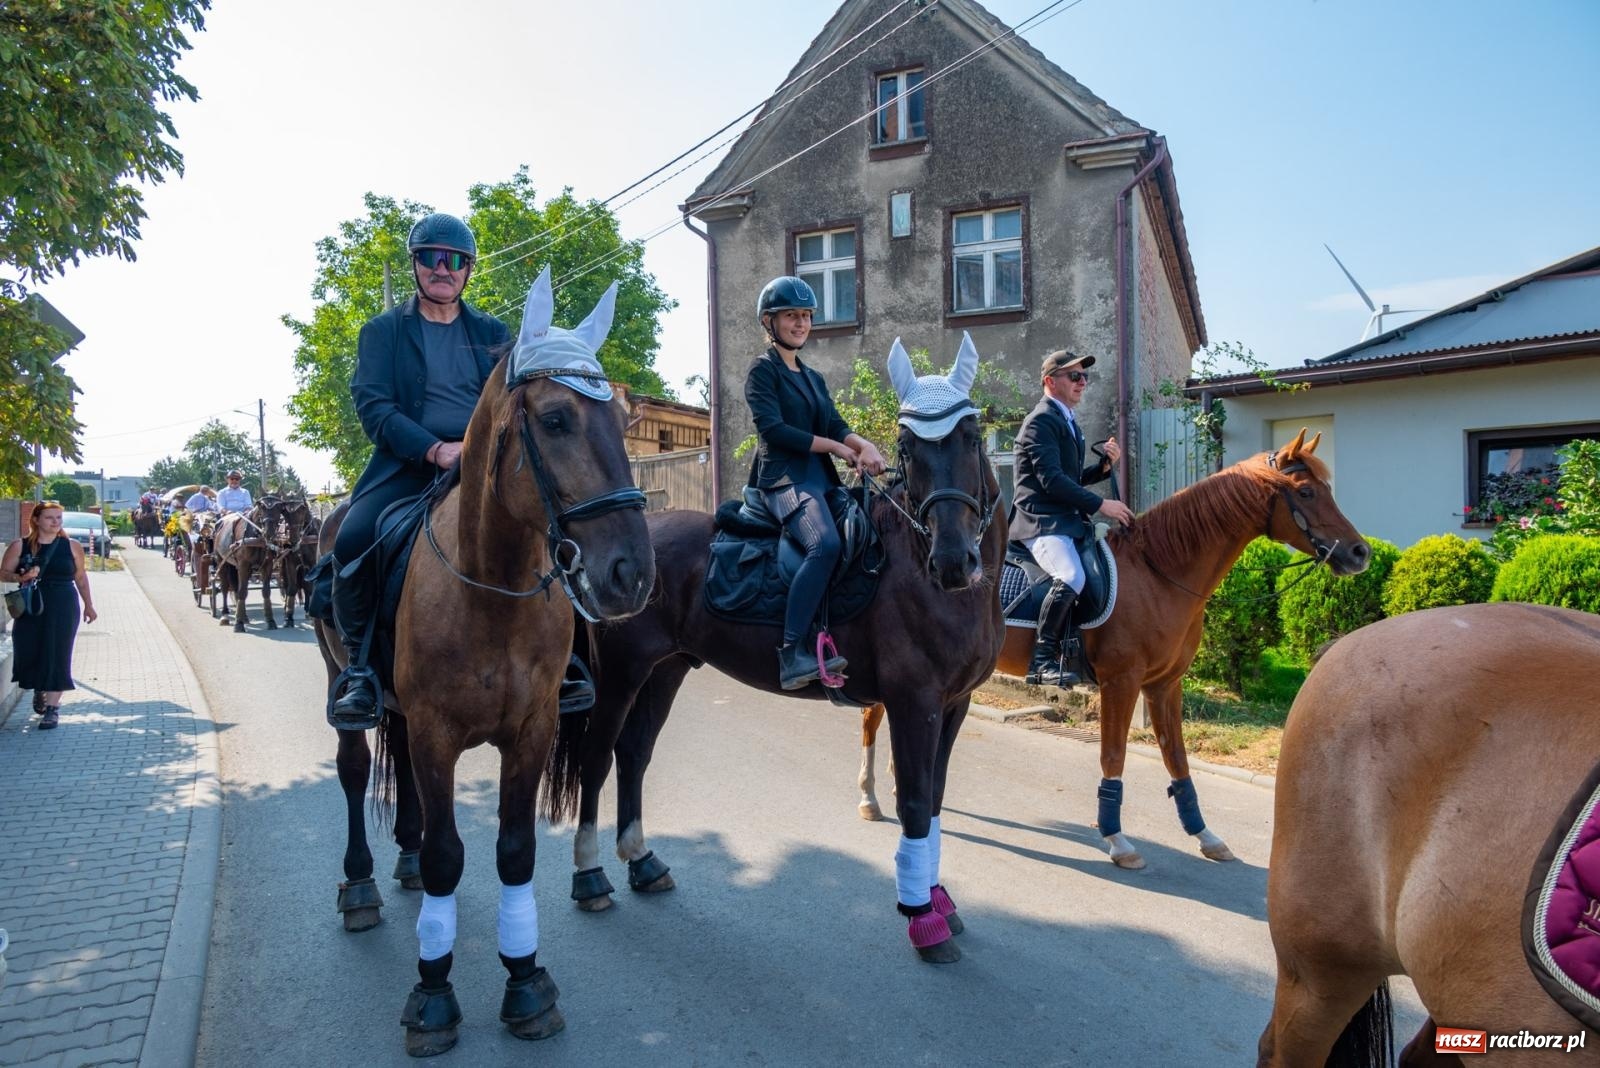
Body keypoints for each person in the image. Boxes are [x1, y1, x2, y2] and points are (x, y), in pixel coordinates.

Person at [325, 212, 527, 730]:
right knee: (353, 539)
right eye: (432, 258)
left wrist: (481, 449)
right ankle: (362, 670)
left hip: (482, 471)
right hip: (406, 467)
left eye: (454, 260)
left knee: (549, 526)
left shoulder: (491, 332)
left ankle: (568, 660)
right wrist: (434, 450)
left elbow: (508, 400)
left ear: (468, 270)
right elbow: (373, 406)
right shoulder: (383, 332)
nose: (444, 268)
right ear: (415, 265)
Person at [744, 275, 888, 691]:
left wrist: (863, 445)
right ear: (769, 322)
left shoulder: (813, 377)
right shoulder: (762, 371)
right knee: (824, 544)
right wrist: (838, 450)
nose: (801, 323)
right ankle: (791, 651)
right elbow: (774, 431)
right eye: (791, 316)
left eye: (806, 316)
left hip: (819, 480)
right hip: (782, 480)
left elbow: (835, 424)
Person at [1007, 350, 1135, 686]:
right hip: (1040, 521)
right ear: (1050, 381)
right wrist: (1101, 505)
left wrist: (1103, 468)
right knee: (1071, 575)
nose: (1082, 383)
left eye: (1084, 377)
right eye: (1074, 376)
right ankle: (1042, 660)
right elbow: (1050, 481)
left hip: (1063, 520)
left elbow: (1069, 477)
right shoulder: (1040, 420)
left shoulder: (1066, 420)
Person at [2, 501, 98, 730]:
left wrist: (89, 605)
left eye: (58, 518)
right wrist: (21, 577)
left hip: (63, 603)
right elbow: (3, 573)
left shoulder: (71, 546)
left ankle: (53, 709)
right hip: (31, 604)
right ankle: (39, 688)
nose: (55, 522)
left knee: (59, 652)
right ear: (36, 520)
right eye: (49, 518)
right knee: (29, 650)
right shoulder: (20, 546)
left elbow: (81, 578)